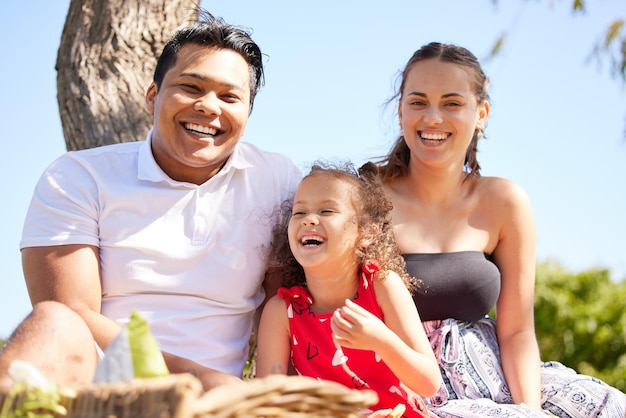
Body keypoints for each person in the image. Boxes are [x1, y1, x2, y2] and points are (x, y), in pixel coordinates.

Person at [0, 9, 301, 392]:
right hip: (100, 390)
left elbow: (285, 306)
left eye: (230, 96)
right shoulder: (77, 177)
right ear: (152, 97)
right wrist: (197, 379)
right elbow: (71, 314)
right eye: (192, 88)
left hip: (218, 404)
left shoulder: (277, 180)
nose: (209, 106)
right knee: (52, 323)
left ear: (246, 114)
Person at [376, 41, 626, 417]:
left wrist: (529, 411)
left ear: (481, 114)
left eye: (452, 103)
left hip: (495, 378)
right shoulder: (362, 197)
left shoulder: (505, 202)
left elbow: (517, 332)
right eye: (418, 102)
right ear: (400, 112)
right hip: (407, 385)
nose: (432, 118)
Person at [256, 162, 442, 418]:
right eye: (299, 213)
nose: (309, 219)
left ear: (366, 233)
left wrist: (381, 340)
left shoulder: (382, 285)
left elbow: (429, 383)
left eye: (327, 210)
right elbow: (267, 402)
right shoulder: (280, 312)